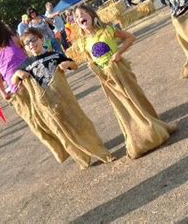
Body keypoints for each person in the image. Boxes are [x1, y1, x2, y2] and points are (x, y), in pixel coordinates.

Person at [0, 18, 111, 168]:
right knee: (39, 128)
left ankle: (81, 149)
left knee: (55, 119)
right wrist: (3, 92)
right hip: (16, 93)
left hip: (34, 84)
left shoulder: (13, 39)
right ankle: (66, 150)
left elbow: (31, 51)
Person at [74, 4, 175, 159]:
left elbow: (130, 37)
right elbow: (91, 60)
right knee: (122, 106)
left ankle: (155, 128)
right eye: (77, 16)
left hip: (120, 70)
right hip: (107, 78)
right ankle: (139, 137)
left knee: (136, 98)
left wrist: (119, 53)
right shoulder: (82, 43)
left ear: (92, 15)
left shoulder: (107, 31)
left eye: (83, 13)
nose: (80, 16)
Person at [11, 27, 114, 168]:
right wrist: (17, 74)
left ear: (41, 39)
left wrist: (66, 64)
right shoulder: (26, 65)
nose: (31, 44)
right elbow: (13, 82)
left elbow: (75, 65)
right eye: (27, 43)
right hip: (46, 106)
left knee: (80, 123)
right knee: (62, 132)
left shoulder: (55, 55)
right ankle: (82, 159)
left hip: (64, 99)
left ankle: (97, 148)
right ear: (25, 48)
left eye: (34, 40)